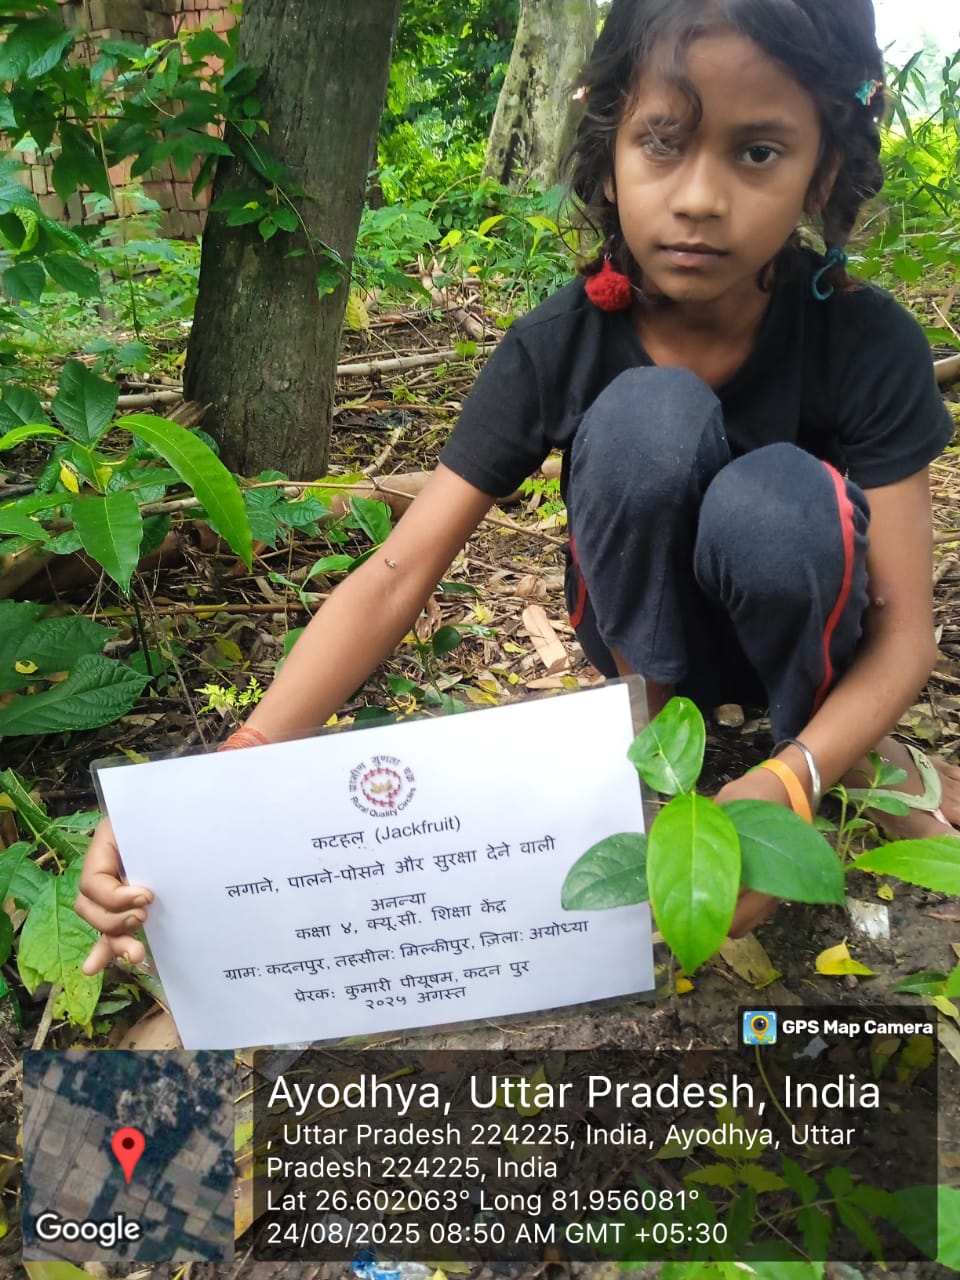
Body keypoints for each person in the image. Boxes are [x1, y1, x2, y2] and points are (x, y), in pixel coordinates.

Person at [76, 0, 958, 971]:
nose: (700, 195)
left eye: (757, 152)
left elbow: (905, 628)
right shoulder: (565, 340)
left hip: (812, 630)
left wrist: (792, 784)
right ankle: (663, 750)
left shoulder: (866, 343)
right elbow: (395, 573)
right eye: (663, 141)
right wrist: (233, 769)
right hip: (647, 650)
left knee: (776, 502)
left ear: (823, 166)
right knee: (645, 422)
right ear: (611, 139)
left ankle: (828, 739)